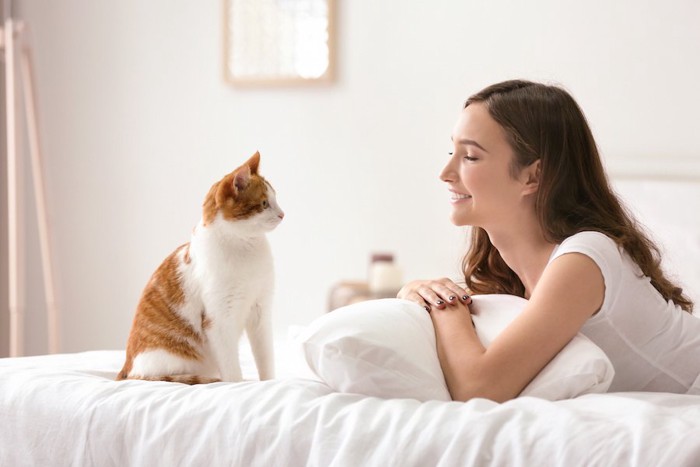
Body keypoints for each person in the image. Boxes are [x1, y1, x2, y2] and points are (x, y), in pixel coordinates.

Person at [397, 79, 700, 403]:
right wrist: (416, 292)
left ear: (532, 176)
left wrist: (445, 307)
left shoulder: (584, 259)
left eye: (470, 156)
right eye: (451, 151)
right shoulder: (513, 279)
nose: (445, 172)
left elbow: (480, 387)